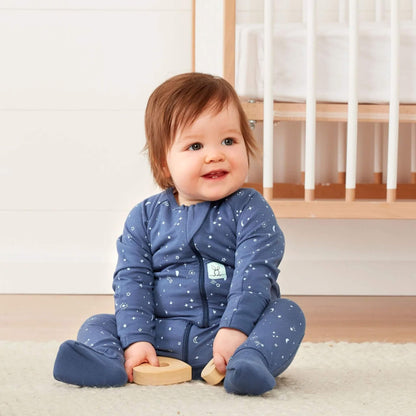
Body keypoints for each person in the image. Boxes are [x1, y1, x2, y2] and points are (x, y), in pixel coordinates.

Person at [53, 72, 305, 395]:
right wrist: (137, 339)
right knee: (99, 324)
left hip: (228, 338)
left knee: (288, 315)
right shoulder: (144, 218)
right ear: (163, 162)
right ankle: (108, 362)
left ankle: (251, 363)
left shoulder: (250, 209)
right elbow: (131, 279)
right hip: (160, 338)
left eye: (229, 141)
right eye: (195, 145)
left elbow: (254, 273)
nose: (215, 154)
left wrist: (236, 329)